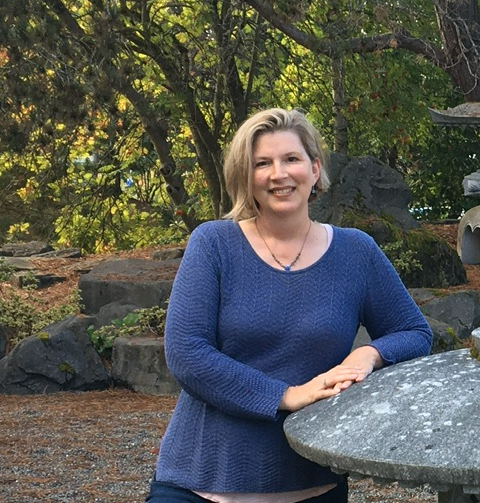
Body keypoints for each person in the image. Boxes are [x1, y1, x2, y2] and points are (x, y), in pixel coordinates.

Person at [147, 108, 433, 503]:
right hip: (202, 481)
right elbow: (186, 353)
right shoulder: (213, 243)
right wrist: (286, 395)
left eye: (291, 159)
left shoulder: (356, 251)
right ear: (246, 177)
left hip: (312, 483)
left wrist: (368, 354)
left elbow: (415, 333)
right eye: (262, 163)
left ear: (315, 169)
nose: (278, 174)